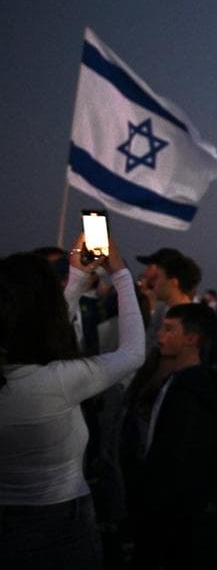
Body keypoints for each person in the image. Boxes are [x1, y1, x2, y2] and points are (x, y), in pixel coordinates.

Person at [0, 239, 144, 568]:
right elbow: (133, 352)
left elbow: (37, 341)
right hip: (61, 525)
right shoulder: (60, 382)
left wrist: (77, 280)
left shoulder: (30, 377)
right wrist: (120, 273)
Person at [129, 302, 217, 569]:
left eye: (170, 329)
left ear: (192, 338)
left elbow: (182, 454)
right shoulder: (176, 382)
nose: (160, 335)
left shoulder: (193, 390)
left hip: (174, 507)